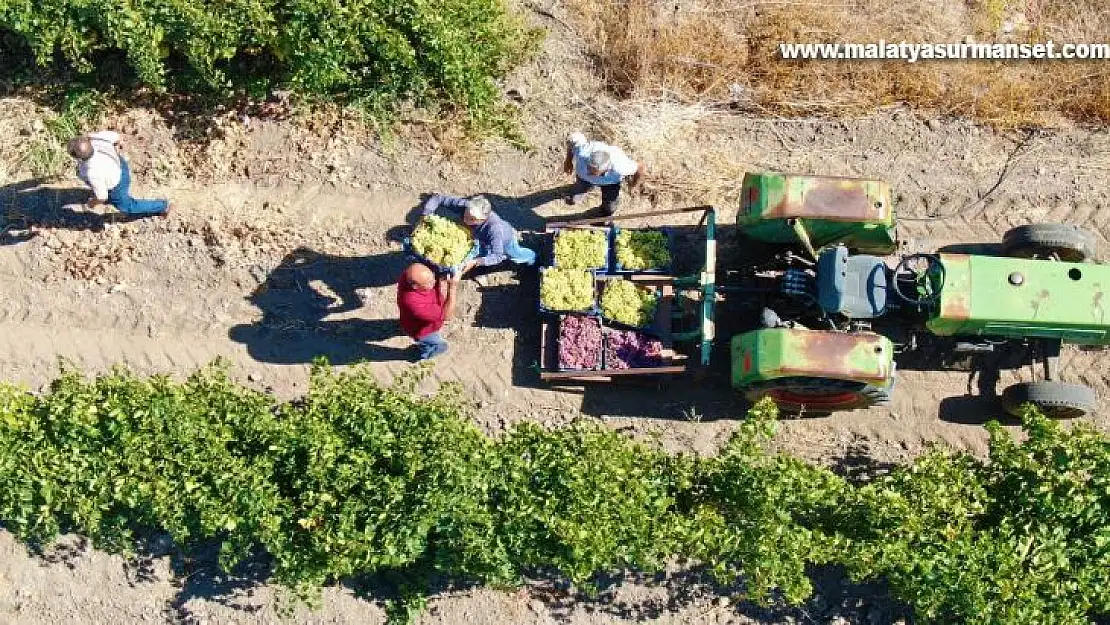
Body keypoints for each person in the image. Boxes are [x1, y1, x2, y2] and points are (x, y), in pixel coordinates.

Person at [421, 193, 536, 276]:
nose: (466, 220)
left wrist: (477, 261)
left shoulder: (494, 229)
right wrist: (426, 214)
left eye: (472, 219)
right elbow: (438, 198)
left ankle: (532, 257)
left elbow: (498, 256)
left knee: (516, 254)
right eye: (466, 215)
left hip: (506, 240)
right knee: (479, 247)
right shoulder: (465, 205)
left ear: (483, 219)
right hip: (479, 238)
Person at [67, 131, 170, 218]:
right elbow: (117, 137)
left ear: (79, 158)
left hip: (117, 185)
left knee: (128, 207)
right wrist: (116, 147)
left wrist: (92, 203)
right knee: (94, 181)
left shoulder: (92, 172)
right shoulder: (96, 138)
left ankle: (164, 206)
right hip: (119, 164)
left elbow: (102, 197)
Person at [562, 131, 645, 216]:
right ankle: (578, 196)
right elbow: (574, 140)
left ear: (606, 169)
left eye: (593, 171)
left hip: (610, 183)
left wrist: (634, 186)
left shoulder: (620, 167)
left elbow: (640, 167)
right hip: (584, 180)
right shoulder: (583, 153)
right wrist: (568, 161)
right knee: (576, 196)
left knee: (610, 208)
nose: (588, 172)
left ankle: (602, 214)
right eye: (588, 167)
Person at [397, 262, 460, 360]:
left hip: (412, 320)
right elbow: (447, 316)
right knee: (440, 346)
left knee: (408, 324)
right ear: (415, 286)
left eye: (433, 278)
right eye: (429, 283)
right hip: (424, 331)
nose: (435, 281)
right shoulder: (414, 304)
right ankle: (423, 354)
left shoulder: (409, 276)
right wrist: (452, 288)